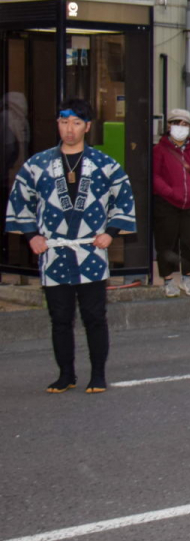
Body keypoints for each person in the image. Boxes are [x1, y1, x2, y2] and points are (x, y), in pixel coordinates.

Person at [5, 99, 137, 394]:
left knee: (94, 316)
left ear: (87, 127)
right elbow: (19, 201)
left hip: (90, 250)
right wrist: (31, 236)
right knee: (60, 318)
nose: (70, 129)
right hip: (53, 252)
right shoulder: (37, 165)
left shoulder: (105, 165)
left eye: (77, 123)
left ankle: (98, 374)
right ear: (58, 124)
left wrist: (111, 232)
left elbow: (124, 198)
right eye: (64, 123)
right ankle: (66, 374)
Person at [152, 108, 190, 297]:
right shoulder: (159, 150)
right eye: (177, 123)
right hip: (166, 204)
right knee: (165, 242)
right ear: (169, 125)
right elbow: (155, 176)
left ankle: (187, 278)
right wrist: (169, 192)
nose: (181, 128)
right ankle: (168, 280)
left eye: (185, 124)